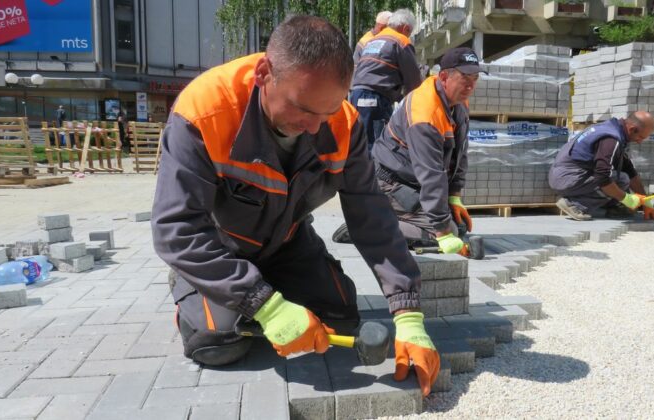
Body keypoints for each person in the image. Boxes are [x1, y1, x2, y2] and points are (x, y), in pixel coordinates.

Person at [151, 16, 440, 396]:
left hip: (287, 244)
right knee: (218, 343)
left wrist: (408, 312)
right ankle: (192, 284)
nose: (315, 127)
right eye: (303, 109)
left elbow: (371, 216)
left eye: (327, 112)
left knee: (340, 318)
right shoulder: (204, 112)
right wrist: (267, 307)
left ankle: (267, 289)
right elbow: (177, 229)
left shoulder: (343, 124)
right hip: (220, 251)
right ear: (264, 74)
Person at [335, 48, 483, 259]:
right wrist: (442, 232)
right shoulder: (425, 113)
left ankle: (395, 217)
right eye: (465, 78)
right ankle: (364, 227)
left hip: (411, 181)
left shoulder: (458, 102)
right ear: (443, 77)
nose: (470, 86)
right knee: (443, 232)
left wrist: (454, 197)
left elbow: (460, 151)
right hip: (389, 183)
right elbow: (430, 173)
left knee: (459, 226)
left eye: (475, 79)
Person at [548, 111, 654, 221]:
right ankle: (575, 204)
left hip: (565, 174)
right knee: (621, 180)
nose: (640, 142)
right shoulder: (611, 139)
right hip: (566, 178)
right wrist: (627, 199)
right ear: (632, 129)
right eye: (640, 137)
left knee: (622, 176)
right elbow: (602, 178)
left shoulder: (612, 129)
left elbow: (628, 169)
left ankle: (614, 207)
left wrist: (646, 202)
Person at [350, 8, 422, 154]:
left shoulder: (373, 40)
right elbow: (414, 81)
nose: (409, 36)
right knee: (378, 145)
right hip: (375, 98)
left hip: (356, 95)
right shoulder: (401, 41)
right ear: (405, 28)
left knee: (359, 144)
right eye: (410, 32)